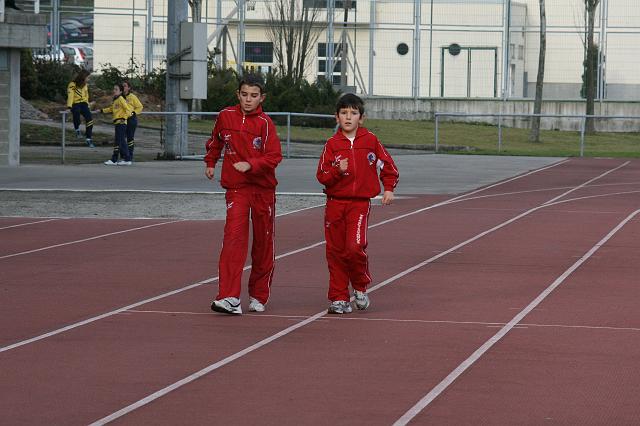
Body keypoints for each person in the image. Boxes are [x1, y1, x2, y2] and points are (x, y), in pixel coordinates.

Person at [204, 74, 282, 315]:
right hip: (236, 189)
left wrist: (251, 165)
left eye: (254, 96)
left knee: (262, 243)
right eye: (245, 95)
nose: (249, 100)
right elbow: (216, 141)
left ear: (262, 98)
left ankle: (259, 294)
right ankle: (229, 297)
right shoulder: (225, 116)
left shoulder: (266, 124)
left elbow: (274, 157)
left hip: (263, 190)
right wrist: (211, 161)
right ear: (238, 95)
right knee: (233, 239)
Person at [316, 93, 399, 314]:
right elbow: (322, 175)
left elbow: (388, 166)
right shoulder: (332, 145)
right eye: (344, 113)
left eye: (353, 113)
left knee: (354, 248)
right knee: (335, 251)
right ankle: (338, 297)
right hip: (334, 205)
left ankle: (360, 285)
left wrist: (388, 188)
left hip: (359, 205)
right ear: (337, 117)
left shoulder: (370, 141)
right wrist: (336, 170)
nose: (348, 117)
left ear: (361, 118)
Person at [99, 83, 133, 166]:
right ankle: (127, 159)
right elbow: (111, 109)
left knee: (118, 141)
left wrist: (124, 118)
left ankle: (114, 160)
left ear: (121, 91)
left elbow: (128, 109)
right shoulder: (115, 99)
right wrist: (102, 111)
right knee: (121, 141)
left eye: (116, 89)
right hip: (117, 123)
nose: (114, 91)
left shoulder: (121, 99)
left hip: (121, 123)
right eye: (114, 89)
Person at [67, 69, 95, 148]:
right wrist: (69, 106)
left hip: (84, 104)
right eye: (88, 77)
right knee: (76, 112)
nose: (88, 79)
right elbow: (70, 95)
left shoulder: (85, 85)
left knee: (90, 120)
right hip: (75, 103)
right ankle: (77, 130)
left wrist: (88, 104)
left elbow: (86, 95)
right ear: (83, 77)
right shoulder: (72, 84)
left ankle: (88, 138)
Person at [123, 80, 143, 160]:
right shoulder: (120, 97)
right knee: (121, 138)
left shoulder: (132, 97)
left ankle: (130, 155)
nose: (123, 87)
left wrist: (134, 113)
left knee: (130, 138)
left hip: (131, 119)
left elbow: (140, 107)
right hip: (122, 119)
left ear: (129, 88)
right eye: (122, 86)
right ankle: (124, 154)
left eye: (125, 86)